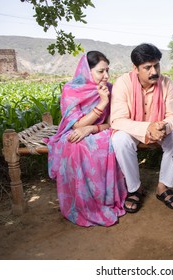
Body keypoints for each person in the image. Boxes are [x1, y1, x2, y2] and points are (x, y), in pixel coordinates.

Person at [46, 51, 127, 227]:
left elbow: (112, 122)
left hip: (100, 130)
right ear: (86, 71)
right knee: (76, 145)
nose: (106, 76)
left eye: (107, 71)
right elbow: (76, 126)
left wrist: (93, 127)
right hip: (75, 130)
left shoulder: (110, 89)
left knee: (102, 143)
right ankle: (85, 204)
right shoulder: (71, 90)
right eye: (100, 71)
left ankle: (104, 200)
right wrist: (102, 104)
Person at [110, 43, 173, 213]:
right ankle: (135, 189)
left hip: (160, 130)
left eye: (157, 65)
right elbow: (118, 120)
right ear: (135, 68)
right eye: (148, 67)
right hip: (133, 130)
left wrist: (164, 126)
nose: (154, 71)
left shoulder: (167, 84)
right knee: (119, 139)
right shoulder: (122, 83)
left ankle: (163, 187)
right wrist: (147, 127)